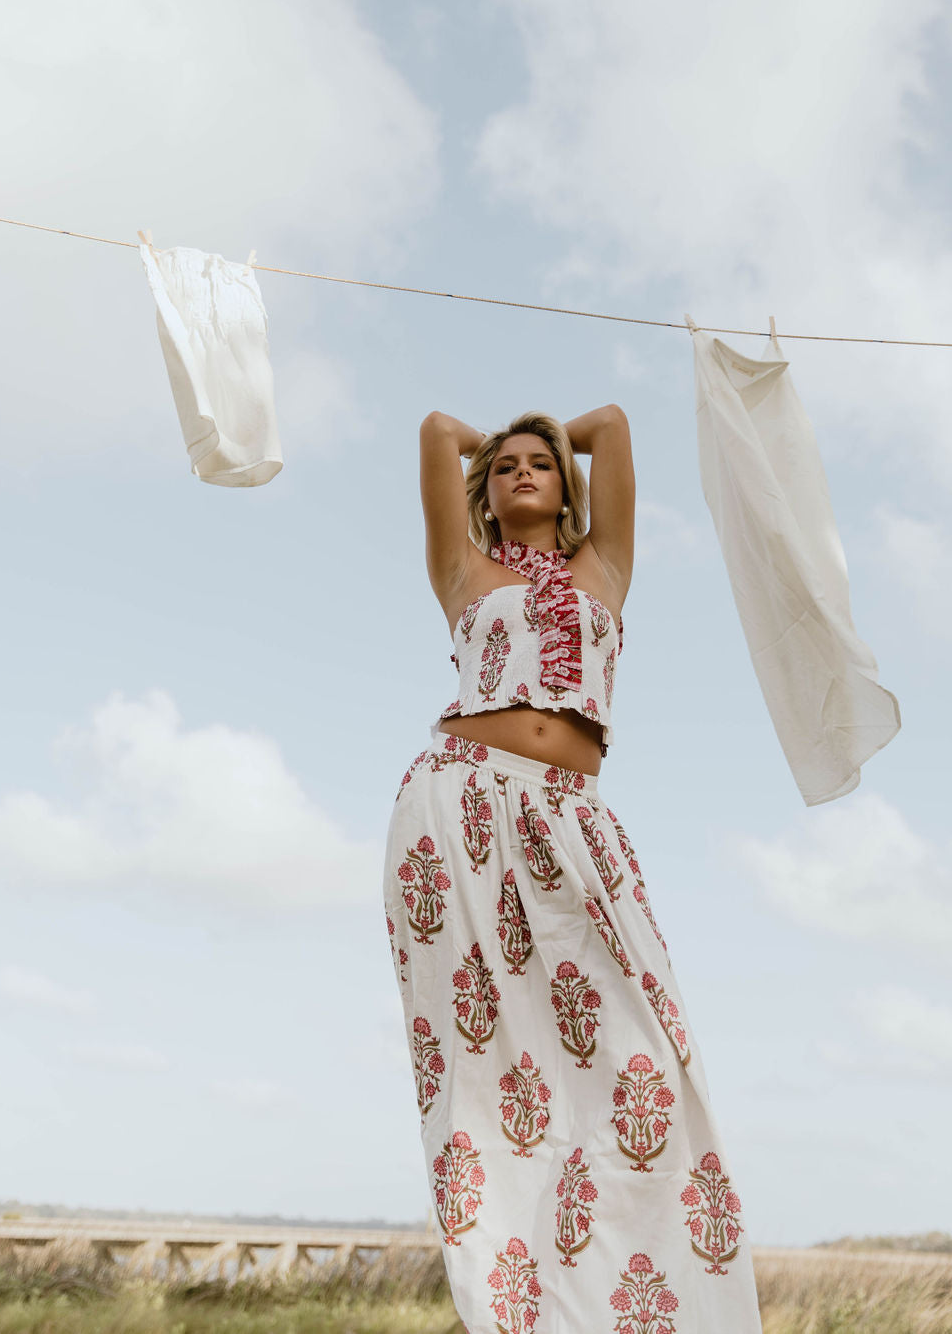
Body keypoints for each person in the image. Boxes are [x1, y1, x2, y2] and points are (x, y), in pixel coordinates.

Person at [383, 408, 763, 1333]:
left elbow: (618, 425)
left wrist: (553, 430)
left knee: (650, 1064)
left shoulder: (605, 568)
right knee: (484, 1078)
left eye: (540, 464)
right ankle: (518, 1309)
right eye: (504, 465)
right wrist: (493, 448)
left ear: (566, 483)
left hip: (573, 817)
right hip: (460, 806)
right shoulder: (464, 569)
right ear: (484, 488)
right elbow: (437, 430)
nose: (520, 470)